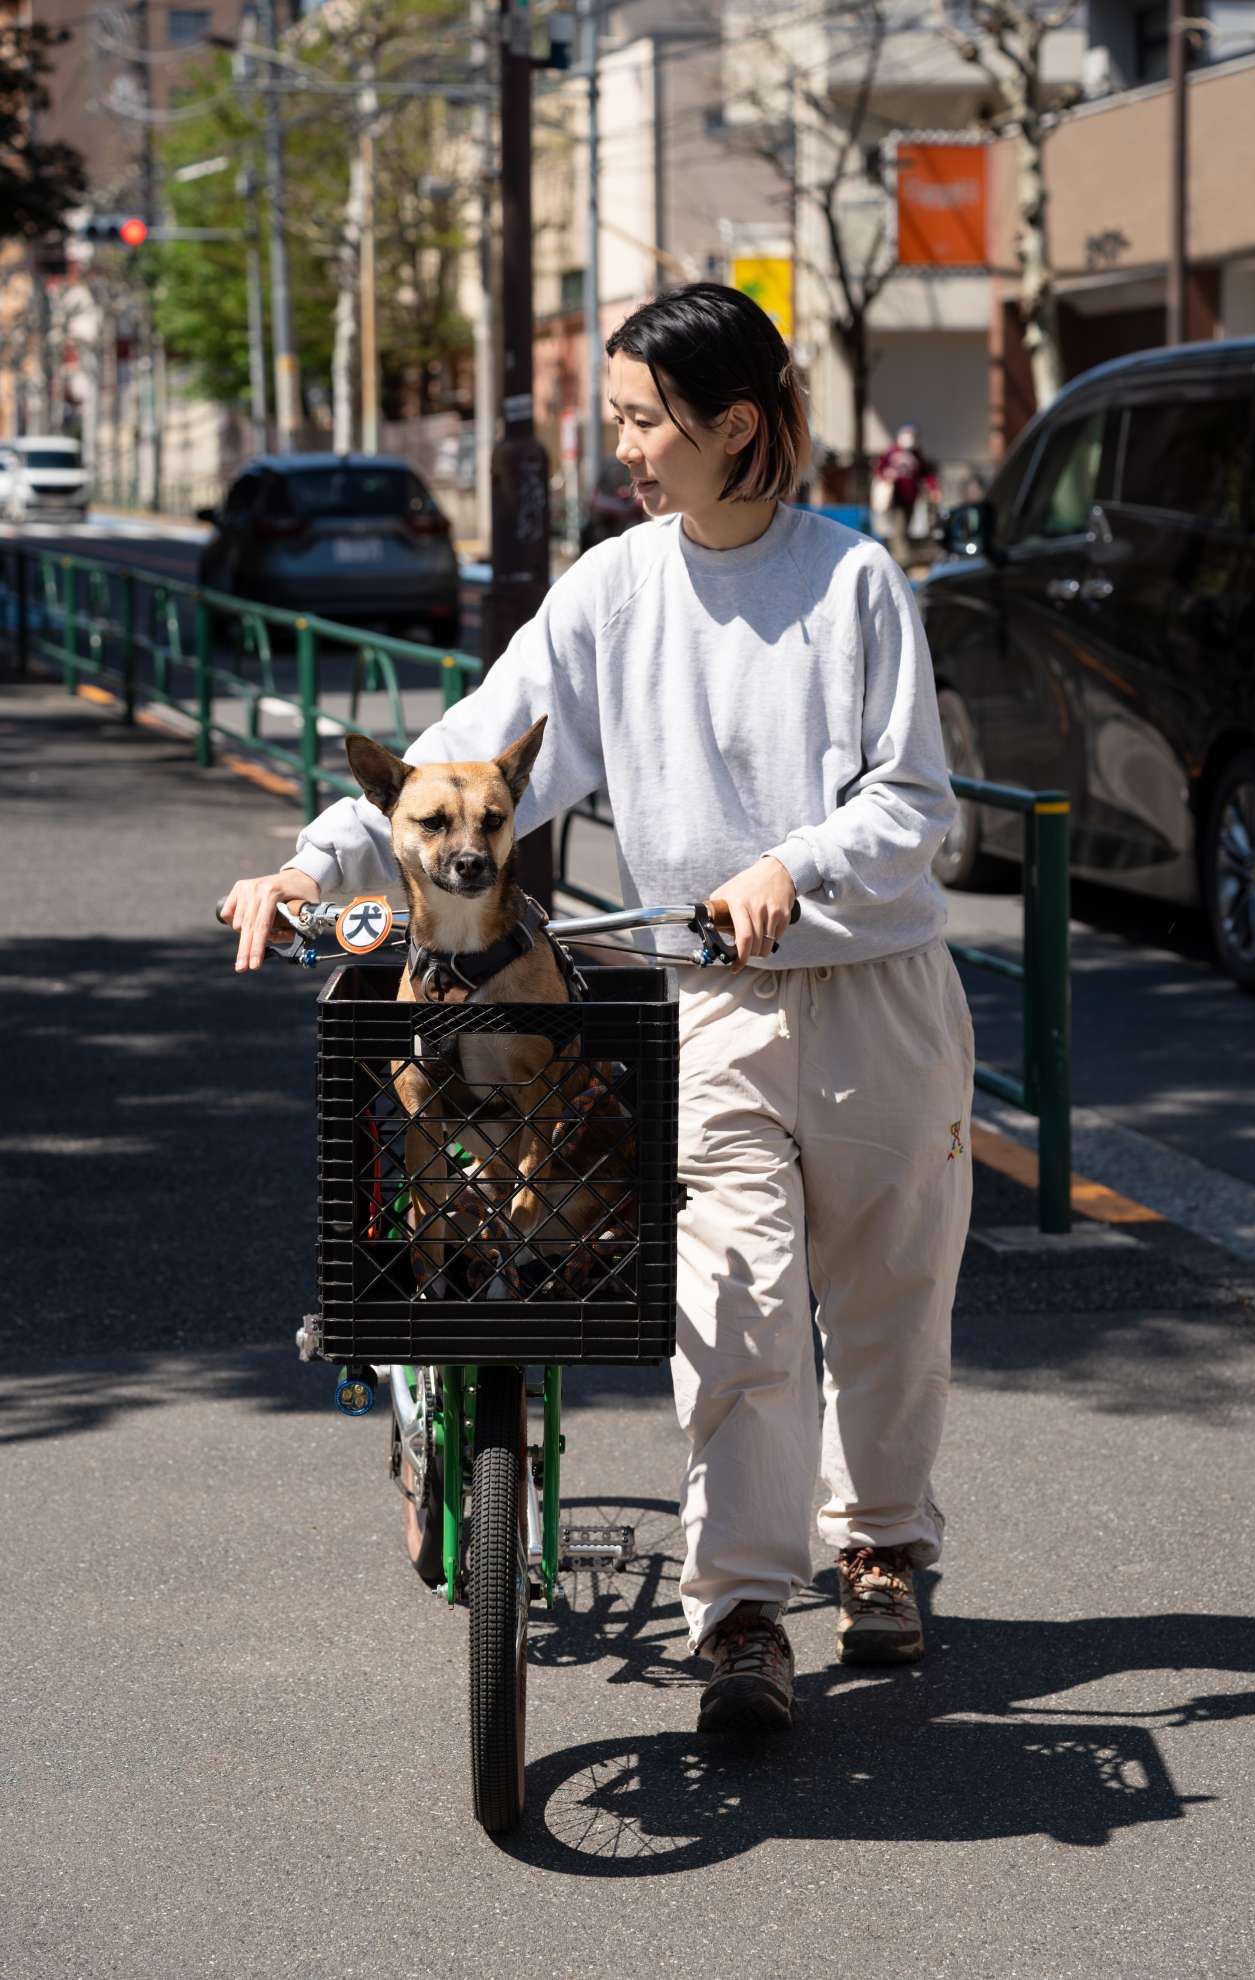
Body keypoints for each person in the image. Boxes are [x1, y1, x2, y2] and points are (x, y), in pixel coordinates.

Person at [222, 283, 974, 1737]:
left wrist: (794, 865)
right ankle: (742, 1615)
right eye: (616, 418)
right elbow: (458, 760)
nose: (619, 447)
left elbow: (911, 801)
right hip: (707, 1000)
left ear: (733, 426)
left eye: (641, 421)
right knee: (732, 1309)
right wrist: (314, 861)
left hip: (877, 990)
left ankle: (881, 1542)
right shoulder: (610, 593)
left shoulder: (854, 581)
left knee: (891, 1300)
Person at [871, 423, 940, 570]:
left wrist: (933, 488)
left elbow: (925, 474)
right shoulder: (891, 451)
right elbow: (879, 468)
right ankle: (902, 561)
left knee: (905, 528)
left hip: (911, 498)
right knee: (899, 529)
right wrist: (887, 475)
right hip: (895, 499)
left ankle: (900, 559)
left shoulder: (916, 454)